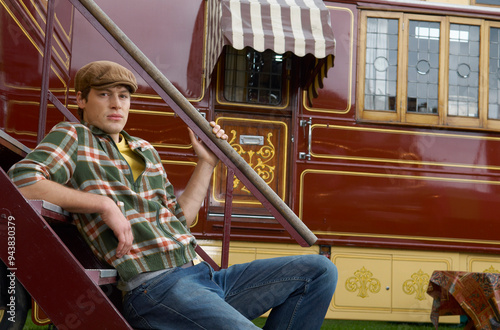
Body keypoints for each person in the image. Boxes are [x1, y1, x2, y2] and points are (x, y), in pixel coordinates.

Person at [8, 61, 337, 329]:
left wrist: (206, 163)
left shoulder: (140, 150)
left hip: (202, 277)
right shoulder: (75, 136)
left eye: (123, 96)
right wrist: (103, 203)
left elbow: (181, 218)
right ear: (81, 100)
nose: (116, 104)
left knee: (320, 271)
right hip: (157, 288)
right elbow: (21, 180)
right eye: (104, 95)